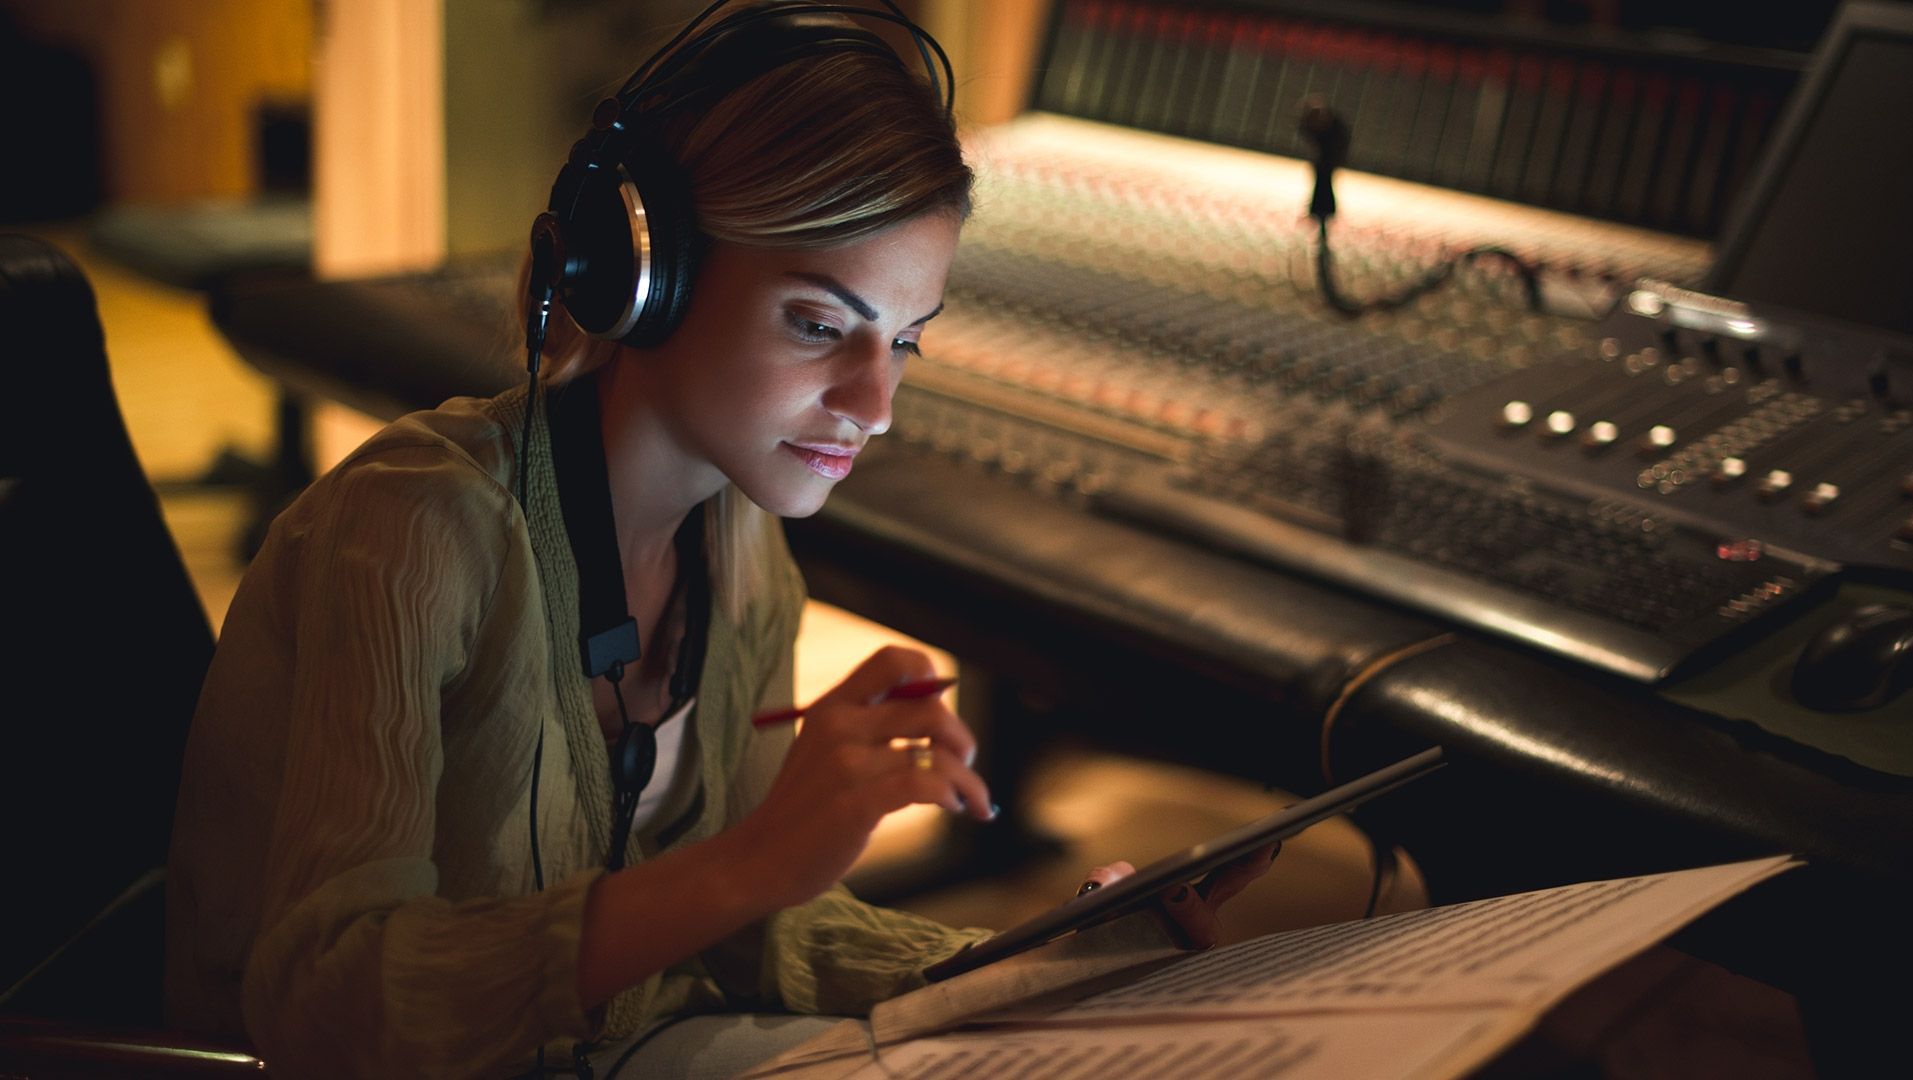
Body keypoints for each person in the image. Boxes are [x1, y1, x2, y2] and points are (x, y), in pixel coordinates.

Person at [164, 3, 1270, 1077]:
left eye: (905, 343)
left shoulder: (744, 560)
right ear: (643, 280)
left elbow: (742, 933)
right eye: (820, 325)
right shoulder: (412, 528)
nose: (876, 405)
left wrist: (1038, 965)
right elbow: (322, 1013)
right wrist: (752, 860)